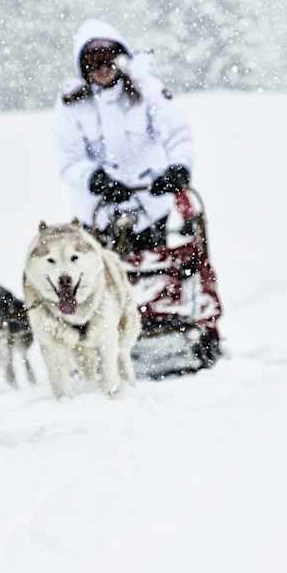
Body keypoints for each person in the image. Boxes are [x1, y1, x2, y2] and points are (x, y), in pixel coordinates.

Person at [53, 19, 223, 352]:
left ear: (121, 58)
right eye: (93, 62)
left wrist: (177, 169)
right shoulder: (72, 105)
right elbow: (68, 159)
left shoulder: (147, 91)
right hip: (100, 212)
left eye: (108, 59)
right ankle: (106, 337)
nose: (102, 69)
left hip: (150, 202)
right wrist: (95, 179)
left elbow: (177, 135)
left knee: (162, 265)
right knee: (105, 275)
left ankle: (165, 320)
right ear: (83, 67)